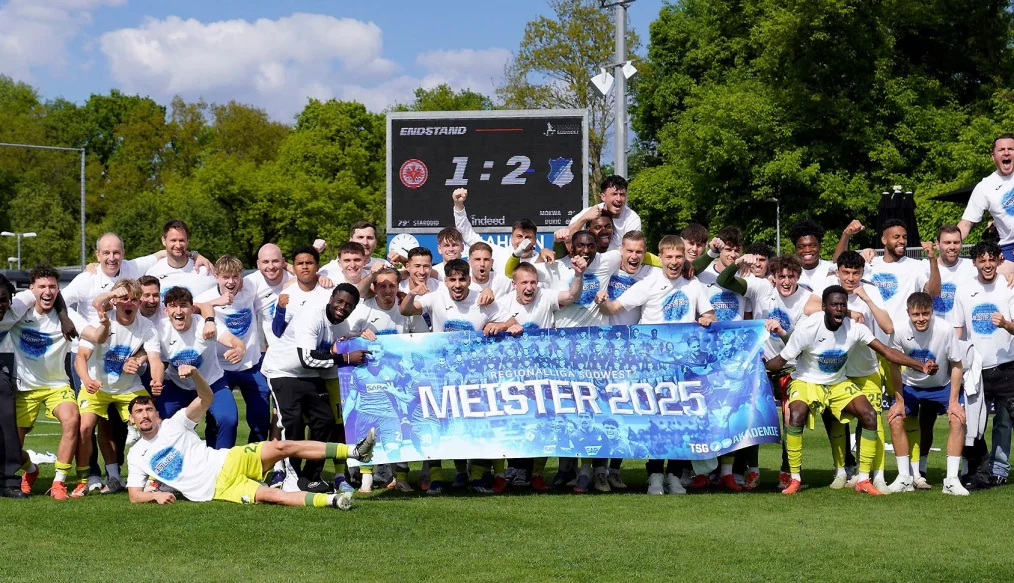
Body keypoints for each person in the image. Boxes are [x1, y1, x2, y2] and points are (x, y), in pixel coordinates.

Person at [125, 364, 376, 509]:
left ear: (157, 414)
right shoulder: (136, 455)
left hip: (229, 460)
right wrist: (155, 495)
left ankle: (354, 451)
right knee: (272, 496)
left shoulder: (174, 424)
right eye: (139, 412)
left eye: (149, 409)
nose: (145, 415)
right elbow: (135, 495)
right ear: (132, 420)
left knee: (283, 446)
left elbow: (206, 399)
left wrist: (195, 375)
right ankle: (332, 500)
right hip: (219, 488)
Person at [764, 285, 936, 495]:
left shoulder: (855, 328)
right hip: (807, 381)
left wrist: (921, 366)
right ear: (824, 307)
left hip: (837, 383)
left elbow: (887, 352)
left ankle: (863, 479)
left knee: (870, 414)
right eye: (834, 305)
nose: (839, 309)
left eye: (843, 305)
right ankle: (795, 479)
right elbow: (780, 360)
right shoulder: (808, 328)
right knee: (797, 413)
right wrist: (758, 368)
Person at [597, 235, 718, 495]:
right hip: (650, 366)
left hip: (682, 366)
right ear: (660, 258)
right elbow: (615, 307)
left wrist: (707, 319)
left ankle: (674, 475)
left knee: (679, 422)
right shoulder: (649, 282)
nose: (674, 262)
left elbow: (709, 314)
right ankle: (653, 476)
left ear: (685, 258)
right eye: (669, 257)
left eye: (678, 257)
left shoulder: (693, 284)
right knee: (655, 422)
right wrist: (601, 302)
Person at [401, 259, 498, 494]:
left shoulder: (481, 297)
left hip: (473, 377)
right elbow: (404, 310)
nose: (457, 284)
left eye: (462, 279)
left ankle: (475, 477)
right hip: (439, 375)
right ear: (445, 281)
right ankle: (436, 478)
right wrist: (412, 293)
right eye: (452, 279)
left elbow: (510, 320)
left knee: (474, 424)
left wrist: (501, 324)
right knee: (437, 424)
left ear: (469, 279)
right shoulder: (436, 297)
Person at [261, 283, 367, 493]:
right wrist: (345, 357)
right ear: (331, 299)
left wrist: (360, 339)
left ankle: (311, 477)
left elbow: (330, 357)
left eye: (349, 305)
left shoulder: (343, 326)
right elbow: (307, 358)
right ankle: (291, 476)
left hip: (310, 376)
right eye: (340, 302)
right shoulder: (311, 316)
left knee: (325, 420)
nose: (342, 307)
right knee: (292, 422)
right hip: (283, 371)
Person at [803, 251, 895, 492]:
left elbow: (887, 326)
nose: (851, 278)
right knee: (835, 423)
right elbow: (808, 308)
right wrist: (849, 312)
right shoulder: (829, 286)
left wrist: (866, 299)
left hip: (866, 369)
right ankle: (841, 471)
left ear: (863, 273)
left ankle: (878, 476)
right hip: (838, 371)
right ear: (838, 271)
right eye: (846, 272)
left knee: (874, 421)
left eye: (856, 273)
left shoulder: (870, 290)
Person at [717, 253, 809, 490]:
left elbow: (800, 344)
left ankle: (787, 471)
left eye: (791, 276)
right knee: (752, 417)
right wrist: (736, 263)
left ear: (798, 276)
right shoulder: (760, 288)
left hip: (791, 368)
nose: (786, 282)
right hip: (759, 367)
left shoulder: (807, 299)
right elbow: (724, 282)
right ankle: (753, 470)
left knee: (791, 418)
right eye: (781, 277)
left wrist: (782, 332)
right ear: (773, 277)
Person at [73, 278, 163, 496]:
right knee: (84, 427)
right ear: (114, 301)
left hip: (128, 388)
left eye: (134, 299)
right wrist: (87, 380)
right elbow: (81, 358)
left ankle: (154, 477)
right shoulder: (102, 322)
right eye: (124, 298)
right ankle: (84, 479)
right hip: (97, 385)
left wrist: (157, 380)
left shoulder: (147, 327)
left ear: (139, 302)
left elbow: (156, 360)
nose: (129, 303)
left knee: (151, 421)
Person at [2, 265, 85, 499]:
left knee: (72, 420)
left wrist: (102, 326)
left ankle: (58, 483)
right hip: (24, 389)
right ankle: (31, 470)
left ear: (58, 289)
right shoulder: (18, 310)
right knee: (11, 450)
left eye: (52, 286)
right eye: (42, 286)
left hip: (56, 386)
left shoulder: (68, 315)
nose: (47, 291)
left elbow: (92, 333)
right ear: (31, 290)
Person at [885, 292, 967, 495]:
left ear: (932, 312)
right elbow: (893, 366)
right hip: (911, 385)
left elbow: (956, 364)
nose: (921, 318)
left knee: (957, 419)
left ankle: (951, 481)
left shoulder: (945, 329)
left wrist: (954, 401)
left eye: (925, 313)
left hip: (941, 386)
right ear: (908, 313)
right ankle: (904, 478)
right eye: (916, 314)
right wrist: (898, 400)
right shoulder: (899, 330)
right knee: (896, 418)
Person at [953, 240, 1014, 489]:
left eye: (992, 259)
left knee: (1003, 421)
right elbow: (959, 331)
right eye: (982, 260)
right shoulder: (964, 290)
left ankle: (999, 470)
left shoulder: (1009, 286)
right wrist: (956, 362)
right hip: (975, 368)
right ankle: (979, 469)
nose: (987, 265)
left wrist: (1006, 325)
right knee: (972, 424)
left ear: (999, 259)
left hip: (1007, 366)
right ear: (975, 262)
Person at [195, 256, 271, 444]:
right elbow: (187, 308)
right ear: (217, 276)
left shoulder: (250, 288)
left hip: (250, 364)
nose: (231, 282)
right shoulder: (205, 298)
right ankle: (218, 464)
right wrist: (215, 302)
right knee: (222, 420)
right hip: (219, 369)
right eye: (226, 277)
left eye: (235, 277)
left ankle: (254, 464)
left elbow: (274, 269)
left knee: (261, 421)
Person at [157, 286, 243, 450]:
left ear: (191, 308)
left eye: (183, 305)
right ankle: (175, 469)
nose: (179, 310)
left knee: (228, 419)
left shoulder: (205, 325)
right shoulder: (160, 329)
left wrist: (239, 349)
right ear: (166, 310)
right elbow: (155, 359)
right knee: (165, 423)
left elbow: (234, 341)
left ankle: (221, 465)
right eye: (173, 306)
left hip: (212, 382)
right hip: (177, 386)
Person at [958, 134, 1014, 271]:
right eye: (1001, 150)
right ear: (993, 156)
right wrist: (947, 241)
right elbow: (966, 224)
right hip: (1008, 248)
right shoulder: (984, 187)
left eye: (1011, 149)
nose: (1006, 152)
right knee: (994, 280)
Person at [453, 188, 540, 270]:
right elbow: (467, 234)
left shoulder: (543, 261)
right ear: (511, 238)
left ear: (535, 240)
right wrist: (458, 205)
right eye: (519, 236)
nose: (523, 242)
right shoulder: (499, 254)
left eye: (528, 237)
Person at [0, 275, 27, 498]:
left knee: (7, 419)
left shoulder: (16, 307)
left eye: (3, 300)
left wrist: (65, 316)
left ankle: (9, 481)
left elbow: (48, 291)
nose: (0, 306)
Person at [562, 175, 641, 251]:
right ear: (603, 197)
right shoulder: (588, 213)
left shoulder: (632, 218)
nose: (619, 199)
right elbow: (566, 240)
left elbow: (631, 251)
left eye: (622, 195)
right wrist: (584, 219)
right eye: (614, 194)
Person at [145, 219, 216, 298]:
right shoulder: (153, 272)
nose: (178, 245)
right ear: (164, 241)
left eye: (181, 240)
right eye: (173, 240)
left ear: (187, 241)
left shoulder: (206, 271)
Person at [245, 243, 291, 345]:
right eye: (265, 262)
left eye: (275, 261)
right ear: (258, 264)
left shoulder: (294, 278)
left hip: (301, 345)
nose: (270, 266)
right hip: (275, 350)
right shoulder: (250, 283)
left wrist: (319, 277)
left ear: (283, 262)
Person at [788, 219, 836, 291]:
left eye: (812, 245)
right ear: (796, 249)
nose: (807, 250)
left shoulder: (831, 269)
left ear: (820, 246)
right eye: (801, 247)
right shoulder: (789, 272)